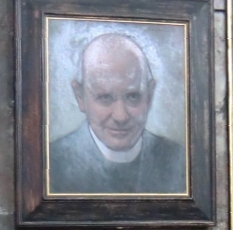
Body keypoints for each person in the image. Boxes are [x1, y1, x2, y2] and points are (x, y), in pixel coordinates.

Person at [49, 33, 186, 195]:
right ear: (80, 96)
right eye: (105, 98)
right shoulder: (50, 164)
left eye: (133, 96)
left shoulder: (180, 160)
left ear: (149, 94)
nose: (121, 117)